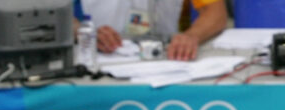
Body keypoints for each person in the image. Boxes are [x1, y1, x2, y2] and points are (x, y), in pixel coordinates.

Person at [76, 0, 227, 61]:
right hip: (98, 59)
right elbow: (55, 13)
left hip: (165, 57)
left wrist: (191, 36)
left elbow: (216, 13)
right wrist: (86, 33)